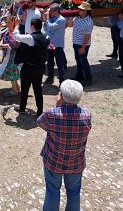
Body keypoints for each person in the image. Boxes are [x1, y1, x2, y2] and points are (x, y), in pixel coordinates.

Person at [37, 80, 92, 211]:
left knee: (52, 191)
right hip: (75, 162)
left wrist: (57, 106)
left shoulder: (51, 113)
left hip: (53, 161)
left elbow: (40, 123)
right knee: (73, 193)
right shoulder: (87, 115)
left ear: (61, 96)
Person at [13, 18, 50, 116]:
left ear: (32, 26)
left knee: (25, 88)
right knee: (38, 89)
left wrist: (17, 25)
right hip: (40, 67)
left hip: (29, 67)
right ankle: (40, 110)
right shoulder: (46, 36)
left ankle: (22, 108)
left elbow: (16, 36)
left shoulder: (30, 38)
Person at [69, 2, 94, 86]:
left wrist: (83, 47)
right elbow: (69, 25)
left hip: (82, 45)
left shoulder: (88, 22)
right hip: (76, 43)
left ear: (85, 11)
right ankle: (79, 76)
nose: (78, 10)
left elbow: (87, 36)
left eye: (81, 9)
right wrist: (71, 16)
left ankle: (88, 78)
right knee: (78, 60)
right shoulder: (77, 18)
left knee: (83, 61)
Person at [0, 18, 22, 95]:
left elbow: (13, 44)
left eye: (9, 23)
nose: (7, 24)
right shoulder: (7, 31)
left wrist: (1, 45)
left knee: (11, 72)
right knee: (12, 72)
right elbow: (1, 34)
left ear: (14, 24)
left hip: (13, 56)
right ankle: (17, 87)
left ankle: (15, 91)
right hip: (9, 55)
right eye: (7, 22)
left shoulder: (15, 33)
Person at [43, 3, 67, 85]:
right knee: (49, 62)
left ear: (56, 11)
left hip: (57, 45)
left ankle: (61, 80)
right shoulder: (50, 18)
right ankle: (50, 77)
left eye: (51, 11)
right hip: (49, 44)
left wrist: (47, 18)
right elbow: (45, 28)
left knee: (60, 64)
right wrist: (46, 19)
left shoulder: (61, 20)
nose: (50, 12)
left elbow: (51, 27)